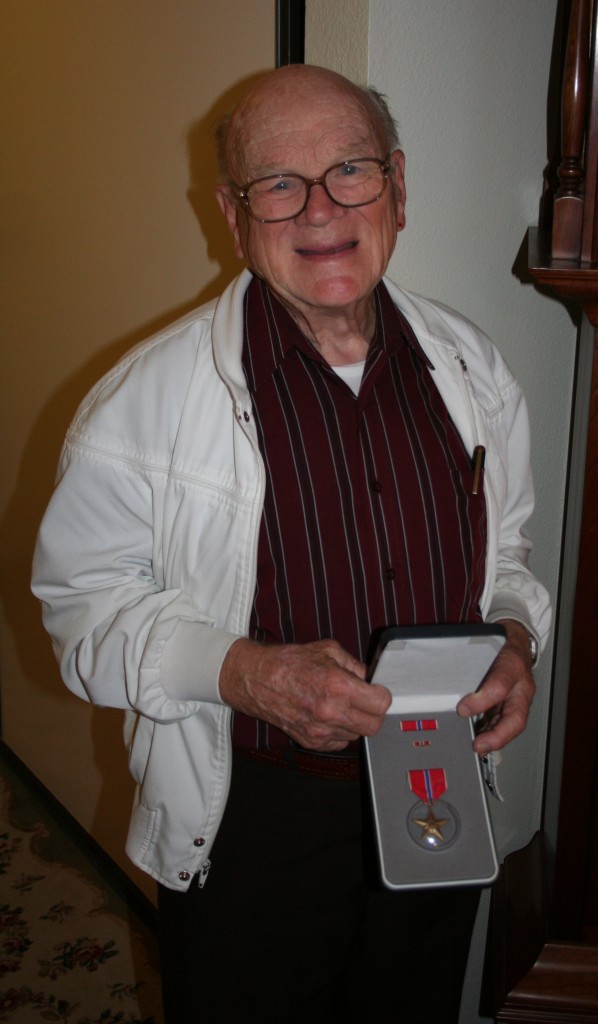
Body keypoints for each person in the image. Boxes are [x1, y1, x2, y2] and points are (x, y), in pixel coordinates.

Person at [32, 64, 550, 1023]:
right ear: (234, 217)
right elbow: (80, 614)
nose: (320, 207)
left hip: (439, 785)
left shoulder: (472, 368)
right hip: (255, 816)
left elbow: (506, 557)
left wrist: (516, 639)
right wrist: (245, 673)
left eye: (350, 168)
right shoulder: (138, 405)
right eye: (278, 183)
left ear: (398, 185)